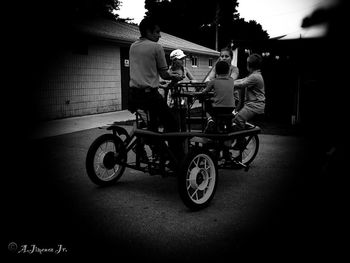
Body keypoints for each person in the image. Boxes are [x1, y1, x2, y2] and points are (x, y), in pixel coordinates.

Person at [128, 17, 184, 161]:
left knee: (152, 125)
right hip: (150, 96)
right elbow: (165, 74)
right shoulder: (156, 47)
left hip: (134, 94)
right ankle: (175, 158)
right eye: (157, 32)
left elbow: (143, 73)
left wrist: (157, 82)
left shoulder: (133, 46)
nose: (160, 35)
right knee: (172, 123)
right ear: (148, 31)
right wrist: (176, 77)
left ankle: (157, 150)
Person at [232, 53, 265, 148]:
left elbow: (242, 84)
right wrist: (229, 82)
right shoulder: (254, 75)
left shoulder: (255, 77)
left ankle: (241, 141)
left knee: (238, 119)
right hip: (252, 105)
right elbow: (242, 80)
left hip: (255, 105)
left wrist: (227, 84)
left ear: (249, 65)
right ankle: (240, 135)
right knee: (235, 118)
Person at [201, 60, 235, 133]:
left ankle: (210, 120)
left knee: (206, 103)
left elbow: (205, 91)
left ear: (216, 71)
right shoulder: (232, 80)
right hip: (231, 108)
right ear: (228, 71)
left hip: (218, 108)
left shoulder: (213, 81)